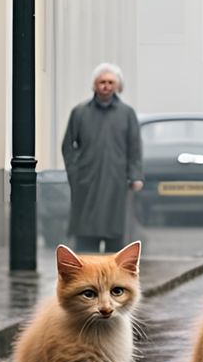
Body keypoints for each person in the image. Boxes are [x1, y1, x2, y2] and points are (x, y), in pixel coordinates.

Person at [61, 63, 144, 252]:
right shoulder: (80, 112)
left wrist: (135, 175)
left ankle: (112, 267)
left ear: (118, 85)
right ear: (94, 85)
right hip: (86, 181)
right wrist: (74, 172)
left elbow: (134, 147)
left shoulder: (126, 113)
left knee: (115, 233)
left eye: (110, 82)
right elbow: (68, 146)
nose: (106, 86)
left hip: (116, 180)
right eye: (102, 82)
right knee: (85, 234)